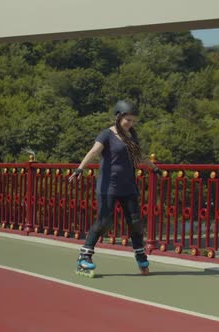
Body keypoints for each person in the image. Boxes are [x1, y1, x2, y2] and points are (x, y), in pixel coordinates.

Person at [69, 100, 162, 277]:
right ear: (118, 117)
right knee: (104, 222)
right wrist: (80, 168)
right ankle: (84, 257)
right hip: (108, 187)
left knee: (135, 223)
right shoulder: (106, 134)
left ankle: (140, 255)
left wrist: (154, 168)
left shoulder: (131, 136)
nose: (131, 123)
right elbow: (94, 151)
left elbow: (139, 156)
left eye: (133, 121)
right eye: (128, 119)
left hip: (129, 186)